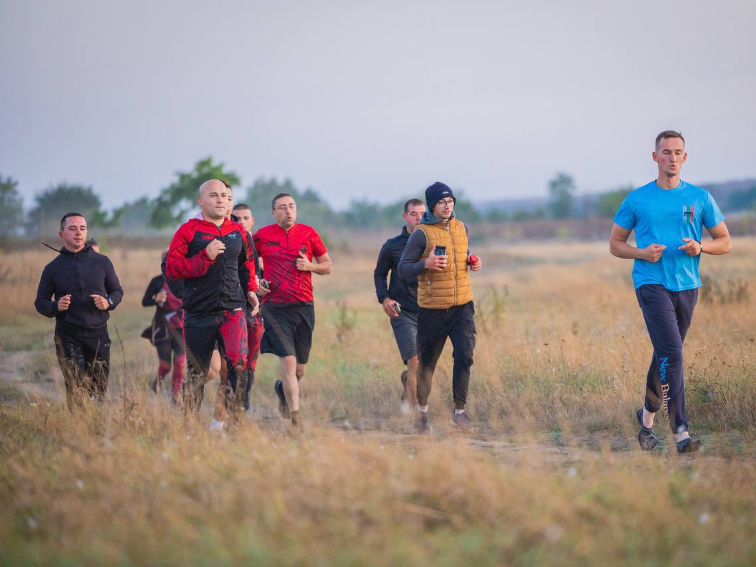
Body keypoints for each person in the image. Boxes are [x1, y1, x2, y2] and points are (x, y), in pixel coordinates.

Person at [610, 130, 731, 453]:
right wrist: (642, 253)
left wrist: (701, 247)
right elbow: (615, 245)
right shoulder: (637, 199)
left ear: (685, 157)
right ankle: (681, 432)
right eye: (666, 152)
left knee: (666, 354)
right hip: (651, 283)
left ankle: (646, 420)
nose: (672, 157)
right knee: (674, 354)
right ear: (655, 157)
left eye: (678, 152)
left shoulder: (700, 198)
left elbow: (725, 241)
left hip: (688, 286)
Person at [165, 179, 259, 425]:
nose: (220, 200)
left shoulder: (238, 232)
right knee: (197, 374)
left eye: (224, 196)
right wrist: (203, 257)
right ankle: (188, 428)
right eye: (213, 195)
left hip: (233, 311)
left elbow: (247, 265)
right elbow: (172, 269)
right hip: (198, 313)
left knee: (239, 368)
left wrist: (250, 290)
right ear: (201, 201)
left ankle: (234, 426)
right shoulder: (188, 231)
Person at [398, 182, 482, 434]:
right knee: (427, 365)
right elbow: (403, 269)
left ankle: (459, 413)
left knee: (465, 355)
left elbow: (460, 254)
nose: (448, 206)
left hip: (462, 306)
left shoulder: (461, 227)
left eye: (451, 201)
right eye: (442, 202)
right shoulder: (420, 234)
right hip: (432, 309)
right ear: (432, 205)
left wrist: (470, 260)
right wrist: (427, 264)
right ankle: (421, 412)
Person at [254, 193, 332, 429]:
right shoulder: (262, 236)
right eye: (282, 207)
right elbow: (246, 264)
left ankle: (282, 389)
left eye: (291, 206)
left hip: (304, 306)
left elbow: (327, 265)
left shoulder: (309, 233)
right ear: (273, 212)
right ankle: (297, 419)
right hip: (274, 309)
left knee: (299, 369)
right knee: (288, 361)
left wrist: (310, 266)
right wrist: (256, 283)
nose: (288, 211)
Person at [35, 213, 123, 409]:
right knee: (75, 388)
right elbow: (40, 302)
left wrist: (108, 302)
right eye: (73, 228)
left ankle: (94, 432)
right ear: (62, 233)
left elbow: (117, 291)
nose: (78, 233)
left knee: (98, 390)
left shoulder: (102, 262)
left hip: (99, 334)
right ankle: (77, 430)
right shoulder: (52, 268)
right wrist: (55, 306)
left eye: (82, 228)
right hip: (68, 335)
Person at [374, 198, 426, 412]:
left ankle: (408, 381)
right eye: (414, 214)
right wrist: (385, 299)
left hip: (428, 310)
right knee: (414, 362)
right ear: (405, 217)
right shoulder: (392, 245)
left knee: (424, 365)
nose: (419, 218)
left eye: (423, 214)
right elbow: (379, 274)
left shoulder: (431, 241)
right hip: (402, 312)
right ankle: (419, 419)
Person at [232, 203, 264, 412]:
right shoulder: (228, 241)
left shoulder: (260, 242)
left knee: (251, 361)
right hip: (233, 307)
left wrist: (263, 279)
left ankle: (244, 403)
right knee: (235, 360)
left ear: (252, 221)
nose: (241, 222)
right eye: (236, 218)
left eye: (245, 218)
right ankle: (232, 405)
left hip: (256, 309)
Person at [142, 251, 185, 404]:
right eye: (167, 260)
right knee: (165, 366)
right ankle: (158, 381)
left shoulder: (186, 280)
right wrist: (156, 299)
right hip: (163, 328)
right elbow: (144, 301)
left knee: (180, 363)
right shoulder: (157, 282)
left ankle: (175, 395)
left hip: (182, 328)